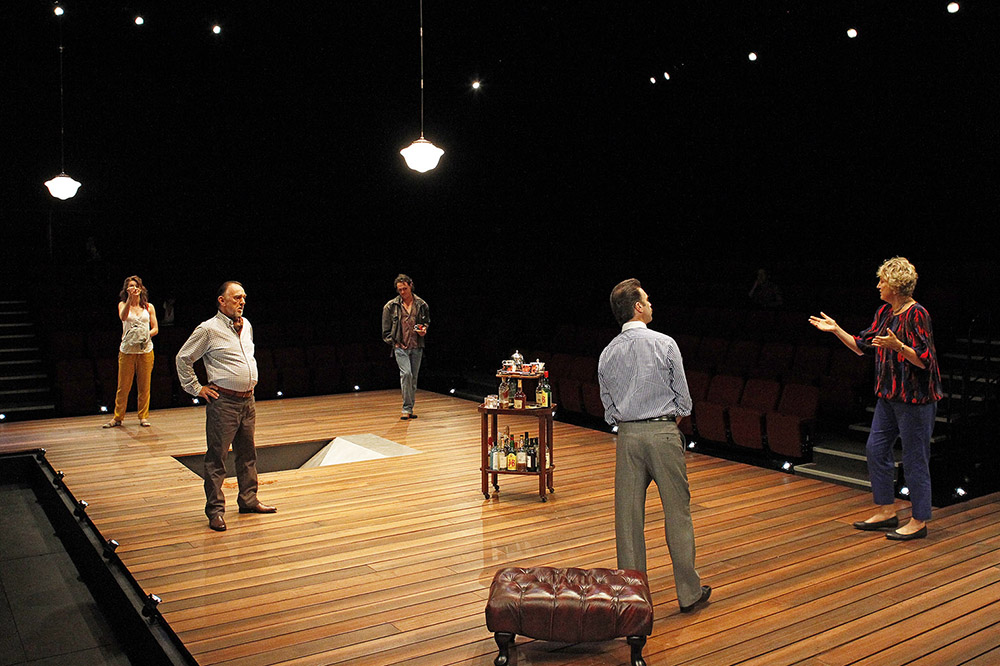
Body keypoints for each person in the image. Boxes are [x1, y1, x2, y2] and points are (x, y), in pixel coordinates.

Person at [598, 278, 711, 613]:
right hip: (663, 433)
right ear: (637, 307)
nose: (650, 304)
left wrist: (630, 423)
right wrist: (663, 425)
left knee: (628, 519)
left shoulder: (607, 353)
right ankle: (689, 594)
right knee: (677, 513)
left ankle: (632, 598)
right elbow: (684, 401)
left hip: (628, 437)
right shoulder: (665, 343)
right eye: (646, 300)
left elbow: (609, 409)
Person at [809, 257, 942, 541]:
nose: (878, 285)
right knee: (875, 450)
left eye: (882, 281)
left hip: (915, 400)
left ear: (895, 285)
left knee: (915, 459)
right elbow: (862, 346)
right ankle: (886, 510)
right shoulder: (885, 312)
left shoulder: (917, 314)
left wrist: (898, 346)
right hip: (888, 396)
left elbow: (925, 361)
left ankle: (919, 521)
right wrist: (836, 329)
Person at [176, 281, 276, 532]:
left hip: (248, 400)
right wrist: (196, 388)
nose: (242, 302)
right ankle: (215, 511)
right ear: (221, 301)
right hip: (224, 403)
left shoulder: (247, 325)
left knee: (247, 454)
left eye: (244, 297)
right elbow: (183, 358)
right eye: (236, 298)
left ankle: (248, 500)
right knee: (217, 458)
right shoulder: (208, 329)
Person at [104, 275, 158, 428]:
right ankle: (118, 417)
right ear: (126, 289)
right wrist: (130, 298)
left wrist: (146, 335)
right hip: (127, 350)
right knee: (123, 386)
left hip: (145, 349)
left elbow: (155, 328)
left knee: (144, 385)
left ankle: (143, 417)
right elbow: (123, 317)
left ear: (141, 288)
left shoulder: (148, 307)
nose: (134, 288)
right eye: (130, 286)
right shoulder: (122, 304)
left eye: (136, 285)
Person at [381, 274, 430, 420]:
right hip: (400, 347)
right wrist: (394, 342)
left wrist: (423, 330)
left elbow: (426, 322)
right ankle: (406, 408)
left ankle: (409, 408)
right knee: (406, 374)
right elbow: (385, 331)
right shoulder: (391, 306)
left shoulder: (421, 304)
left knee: (413, 379)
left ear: (411, 286)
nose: (402, 292)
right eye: (400, 290)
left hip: (416, 346)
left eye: (405, 289)